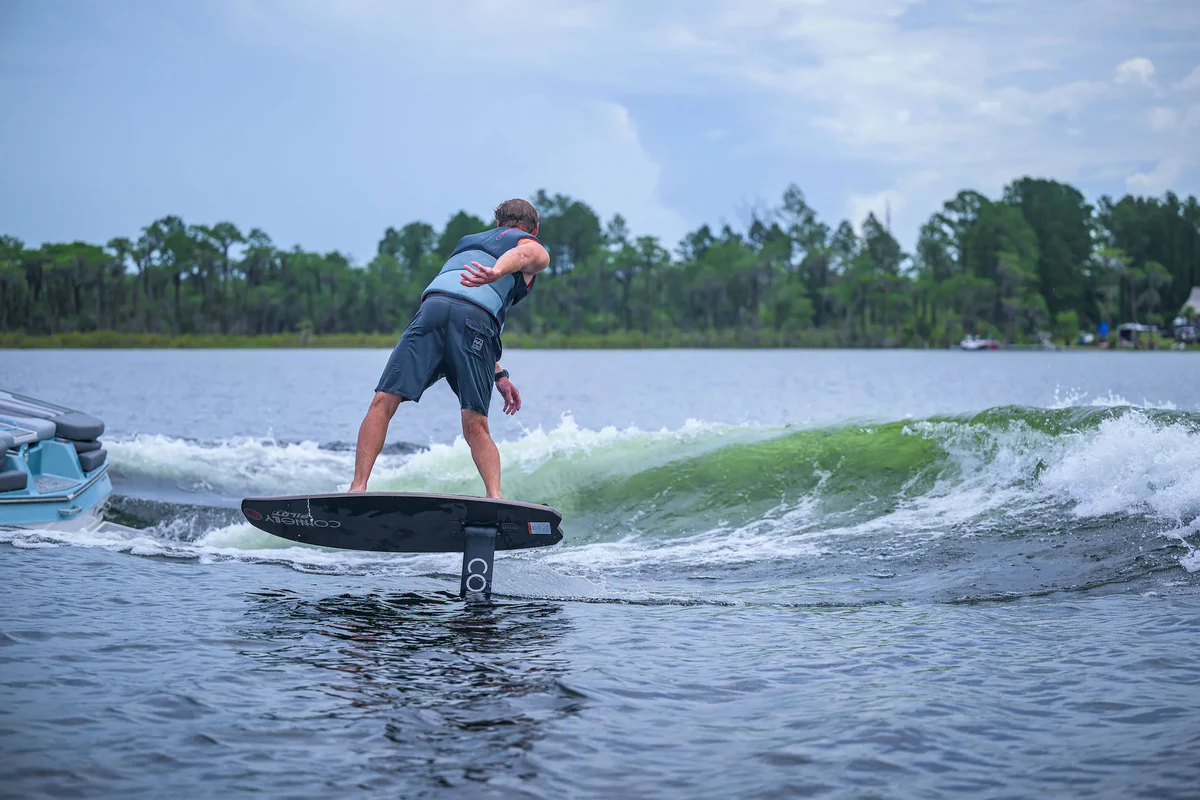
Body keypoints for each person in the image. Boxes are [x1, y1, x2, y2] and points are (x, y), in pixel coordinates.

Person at [349, 199, 550, 498]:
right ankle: (494, 496)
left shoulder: (468, 242)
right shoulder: (532, 245)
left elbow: (455, 306)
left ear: (497, 223)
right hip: (474, 320)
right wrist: (496, 272)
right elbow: (521, 255)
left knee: (382, 401)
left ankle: (358, 487)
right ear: (535, 229)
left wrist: (498, 374)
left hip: (431, 311)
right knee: (475, 422)